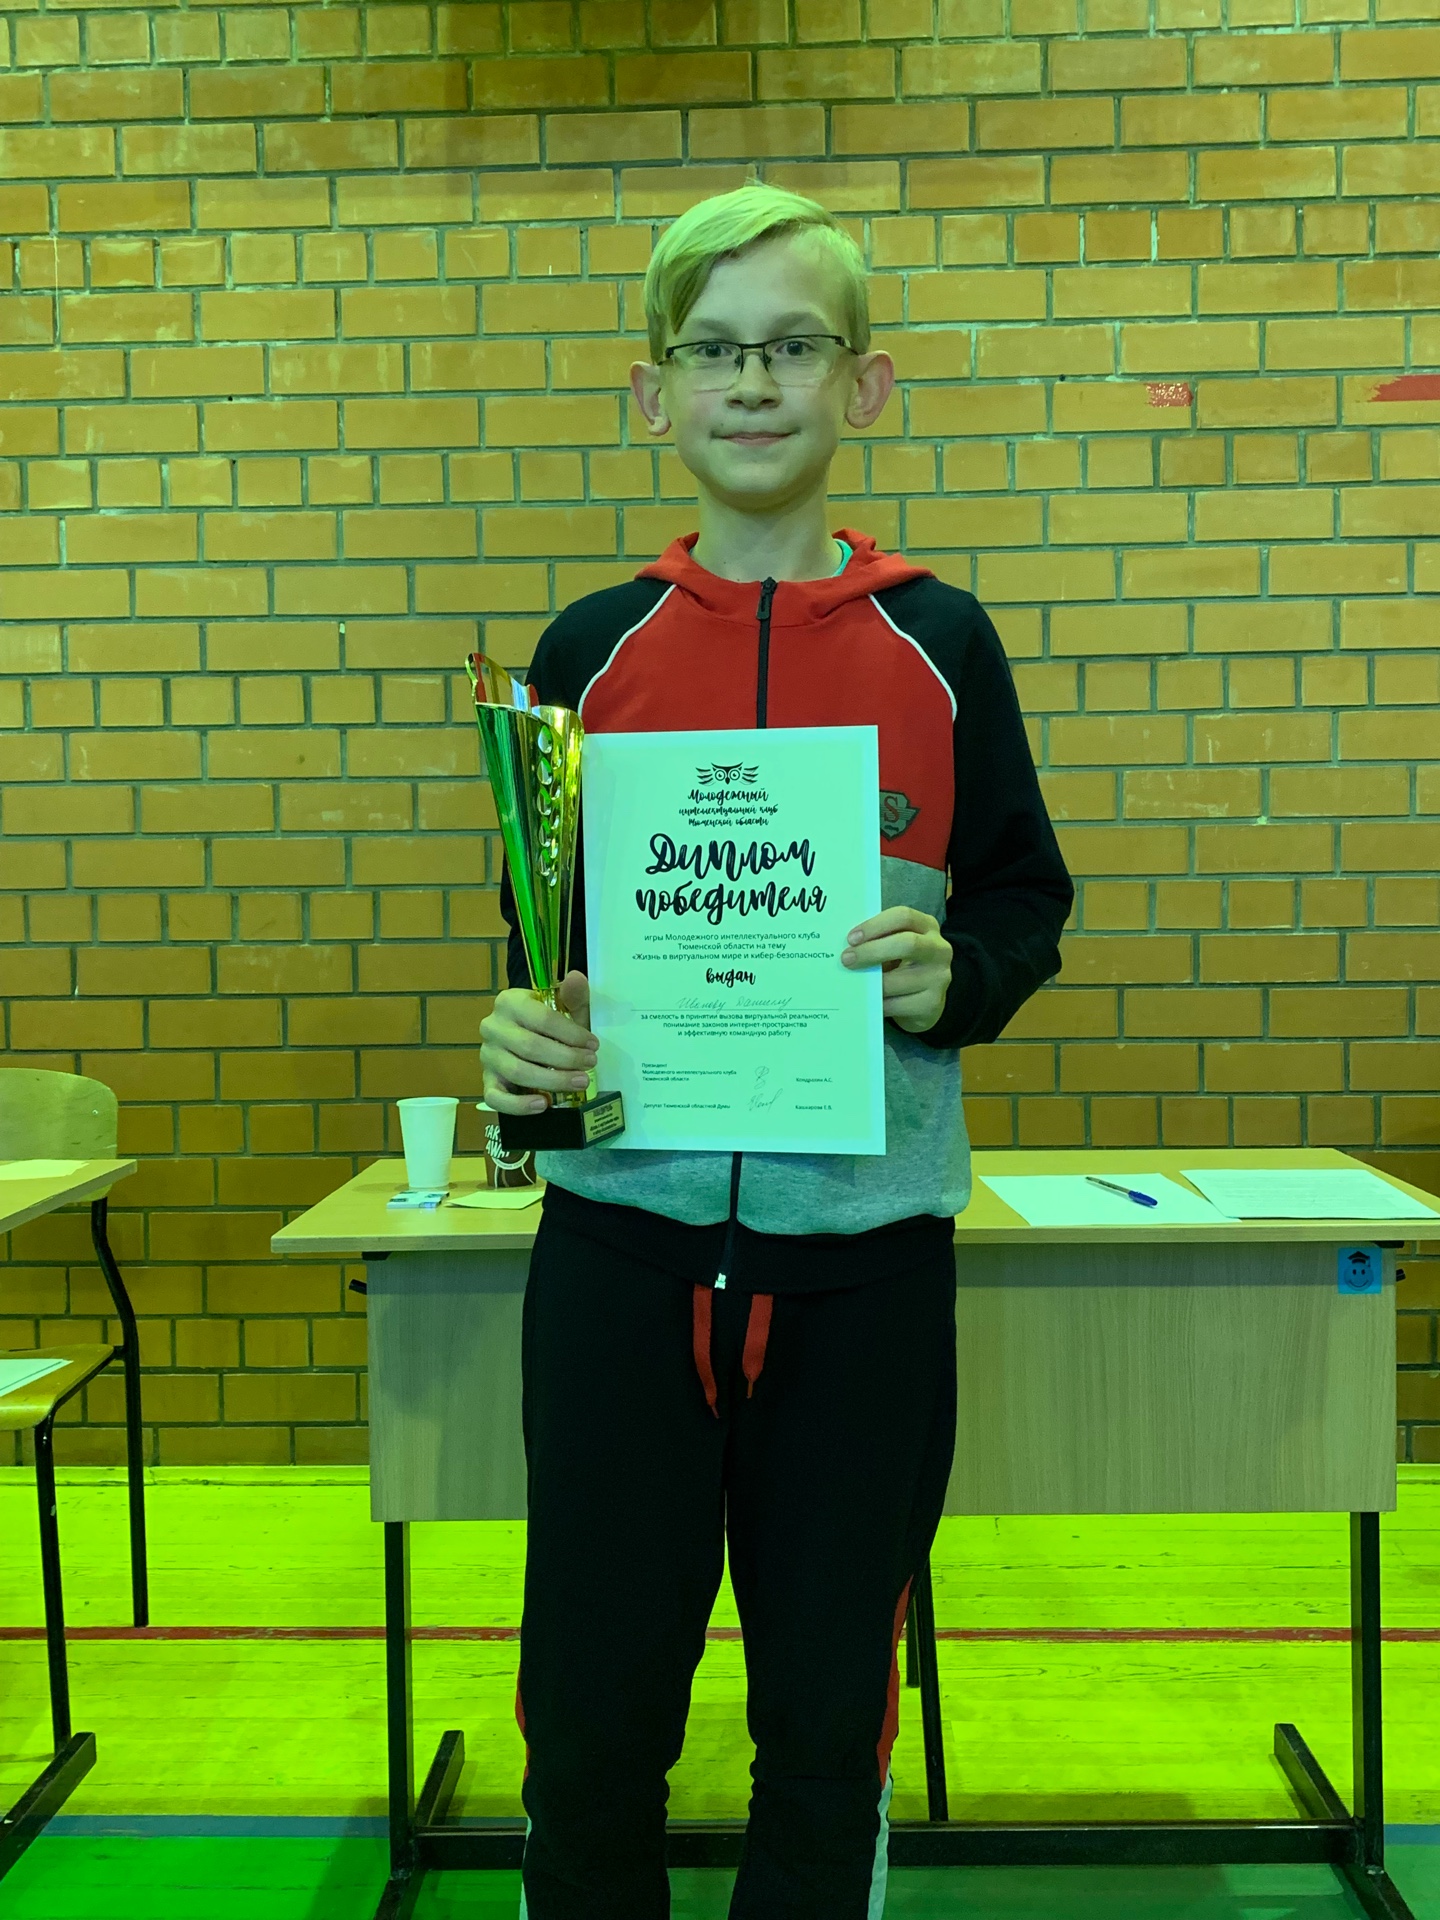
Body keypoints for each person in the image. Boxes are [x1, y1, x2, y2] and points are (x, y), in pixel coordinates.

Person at [480, 181, 1074, 1920]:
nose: (753, 382)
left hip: (863, 1272)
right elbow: (541, 948)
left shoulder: (942, 643)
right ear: (651, 391)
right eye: (714, 349)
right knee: (593, 1715)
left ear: (862, 386)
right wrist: (522, 1051)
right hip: (619, 1260)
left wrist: (957, 976)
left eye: (794, 346)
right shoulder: (586, 652)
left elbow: (1026, 897)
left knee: (826, 1719)